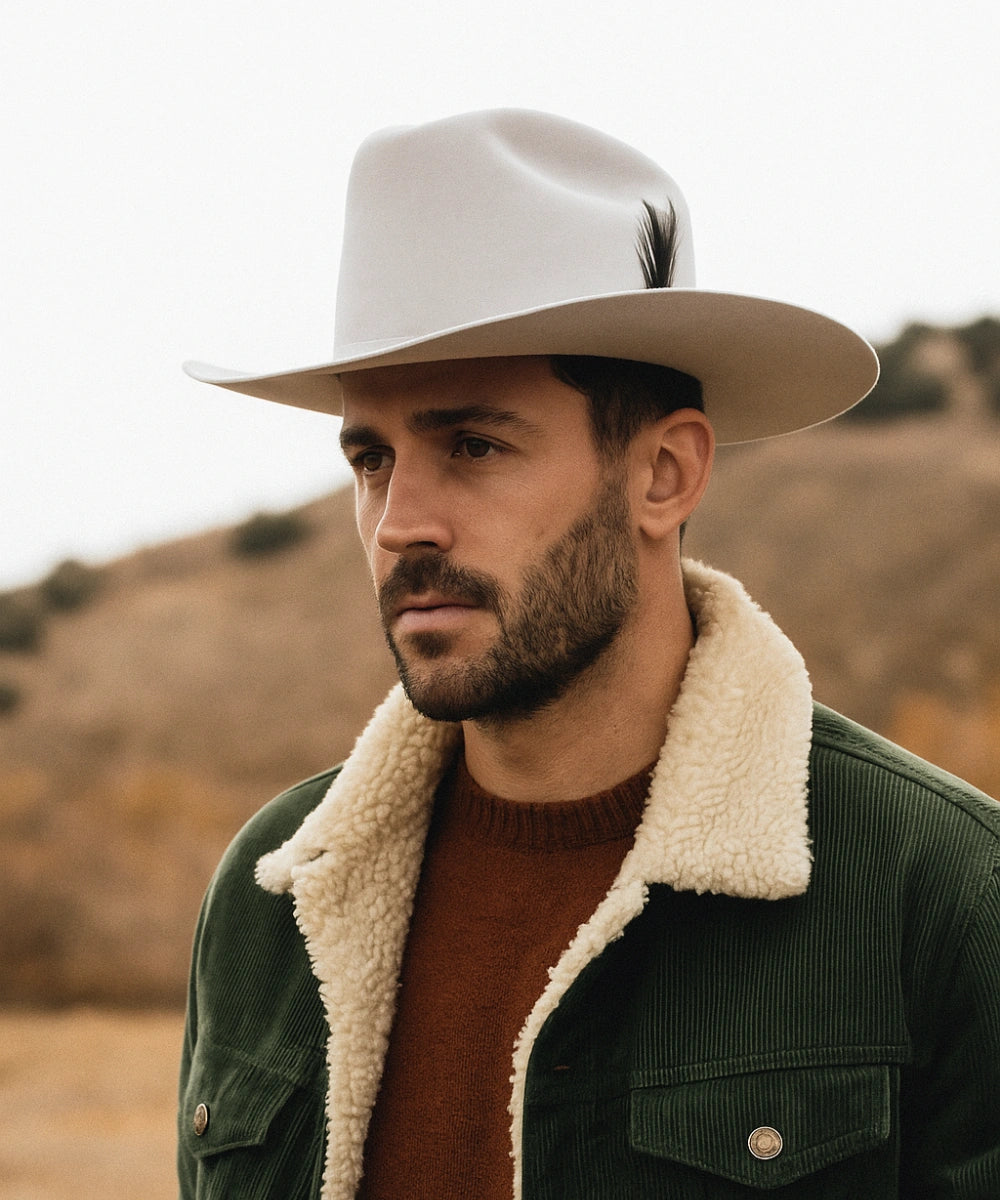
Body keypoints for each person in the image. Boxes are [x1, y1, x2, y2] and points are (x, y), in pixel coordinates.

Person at [178, 110, 1000, 1199]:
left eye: (472, 445)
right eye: (371, 458)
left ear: (662, 475)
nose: (397, 522)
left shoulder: (941, 896)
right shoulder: (272, 892)